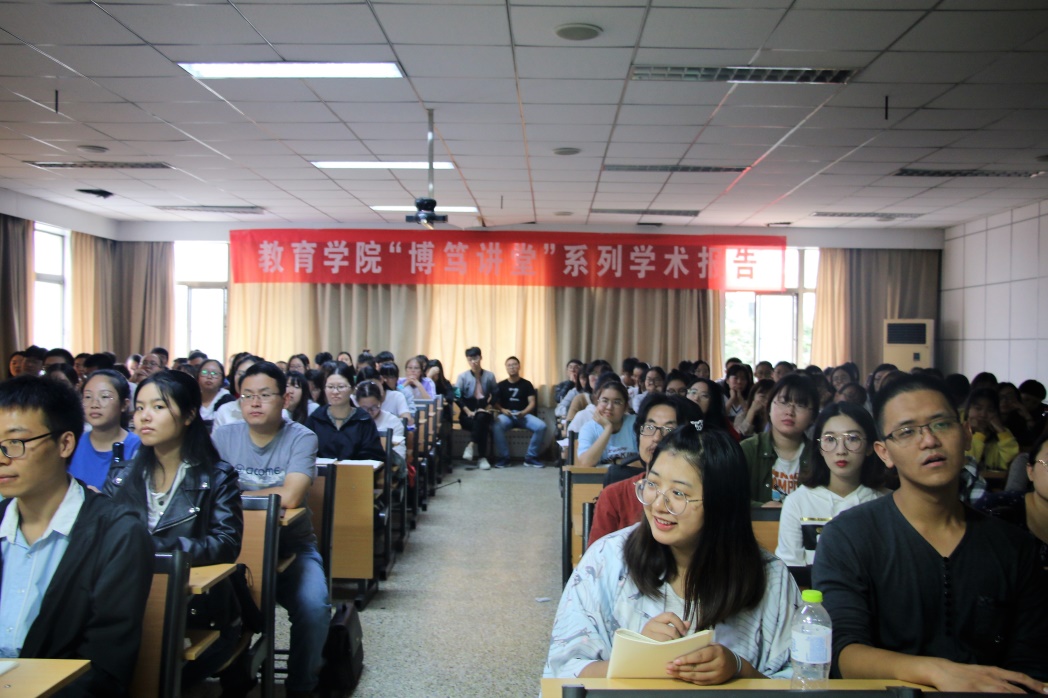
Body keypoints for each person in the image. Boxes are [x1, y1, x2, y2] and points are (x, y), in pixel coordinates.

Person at [812, 373, 1048, 690]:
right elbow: (843, 652)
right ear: (884, 452)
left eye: (941, 424)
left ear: (966, 434)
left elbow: (1031, 664)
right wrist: (938, 672)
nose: (929, 441)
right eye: (907, 431)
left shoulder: (1013, 547)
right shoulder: (847, 536)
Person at [546, 424, 801, 682]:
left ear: (722, 502)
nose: (658, 504)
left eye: (678, 493)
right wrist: (636, 659)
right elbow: (562, 674)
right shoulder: (606, 559)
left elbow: (804, 681)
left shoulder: (771, 579)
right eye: (652, 484)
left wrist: (739, 670)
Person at [0, 375, 152, 695]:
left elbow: (105, 669)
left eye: (15, 443)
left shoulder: (117, 533)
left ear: (65, 444)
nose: (2, 457)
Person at [105, 370, 244, 689]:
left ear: (189, 415)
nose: (144, 417)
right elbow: (103, 540)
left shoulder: (217, 476)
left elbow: (225, 543)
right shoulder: (121, 476)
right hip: (126, 606)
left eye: (158, 407)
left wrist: (148, 548)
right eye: (140, 408)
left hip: (198, 612)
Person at [213, 362, 333, 697]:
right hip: (233, 551)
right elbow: (207, 496)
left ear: (285, 399)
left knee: (314, 607)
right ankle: (235, 676)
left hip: (291, 548)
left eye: (265, 395)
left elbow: (291, 496)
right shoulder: (222, 437)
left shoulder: (301, 437)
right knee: (214, 608)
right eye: (247, 395)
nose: (255, 402)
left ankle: (301, 686)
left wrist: (233, 497)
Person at [775, 402, 885, 567]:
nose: (841, 450)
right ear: (819, 447)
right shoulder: (798, 502)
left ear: (870, 447)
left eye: (852, 438)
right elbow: (790, 569)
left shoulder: (884, 502)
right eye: (830, 439)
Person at [589, 394, 702, 543]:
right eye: (649, 427)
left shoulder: (696, 497)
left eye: (669, 430)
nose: (656, 438)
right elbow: (598, 555)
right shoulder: (614, 496)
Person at [741, 374, 817, 507]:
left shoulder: (819, 455)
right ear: (769, 407)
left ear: (813, 416)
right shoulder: (748, 449)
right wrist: (761, 509)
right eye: (783, 402)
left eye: (800, 405)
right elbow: (730, 499)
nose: (790, 411)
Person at [70, 369, 141, 490]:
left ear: (124, 404)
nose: (94, 404)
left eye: (105, 396)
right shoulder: (72, 444)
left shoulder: (138, 447)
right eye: (88, 397)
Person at [305, 363, 386, 463]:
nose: (335, 392)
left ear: (352, 388)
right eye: (330, 387)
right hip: (321, 472)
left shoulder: (363, 420)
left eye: (341, 386)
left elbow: (373, 458)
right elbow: (305, 454)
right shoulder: (316, 418)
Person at [491, 356, 547, 468]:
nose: (512, 367)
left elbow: (532, 402)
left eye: (514, 364)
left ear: (519, 366)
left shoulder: (527, 384)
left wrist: (524, 412)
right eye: (509, 365)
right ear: (506, 368)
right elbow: (495, 402)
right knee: (496, 426)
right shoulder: (501, 385)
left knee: (541, 426)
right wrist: (502, 410)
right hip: (507, 416)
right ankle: (505, 458)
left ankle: (531, 457)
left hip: (523, 415)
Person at [577, 380, 638, 468]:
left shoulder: (635, 423)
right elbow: (586, 463)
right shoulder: (588, 428)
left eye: (617, 402)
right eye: (605, 401)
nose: (609, 407)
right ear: (597, 403)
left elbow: (647, 461)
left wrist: (616, 462)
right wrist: (608, 428)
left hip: (633, 476)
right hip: (600, 477)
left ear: (625, 407)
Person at [454, 347, 498, 470]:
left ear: (481, 357)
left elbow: (496, 393)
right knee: (482, 425)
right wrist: (468, 411)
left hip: (484, 411)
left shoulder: (489, 376)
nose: (473, 362)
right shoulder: (462, 376)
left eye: (475, 358)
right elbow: (457, 396)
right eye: (470, 359)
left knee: (482, 417)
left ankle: (470, 445)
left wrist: (489, 406)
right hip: (467, 414)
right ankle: (482, 458)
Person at [963, 387, 1019, 472]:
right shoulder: (959, 432)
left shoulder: (1002, 434)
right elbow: (968, 464)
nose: (983, 414)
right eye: (978, 408)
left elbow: (1012, 462)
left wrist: (1000, 430)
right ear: (968, 410)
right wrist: (980, 434)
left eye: (990, 410)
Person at [355, 381, 406, 467]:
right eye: (364, 408)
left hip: (385, 466)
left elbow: (400, 455)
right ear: (357, 404)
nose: (369, 412)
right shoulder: (353, 421)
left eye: (374, 407)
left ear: (381, 402)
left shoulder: (393, 421)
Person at [212, 355, 263, 427]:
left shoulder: (269, 410)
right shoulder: (224, 411)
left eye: (249, 373)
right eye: (240, 374)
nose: (243, 378)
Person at [198, 358, 234, 428]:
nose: (209, 377)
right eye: (204, 372)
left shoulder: (228, 400)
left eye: (214, 373)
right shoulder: (191, 399)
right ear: (198, 377)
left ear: (222, 379)